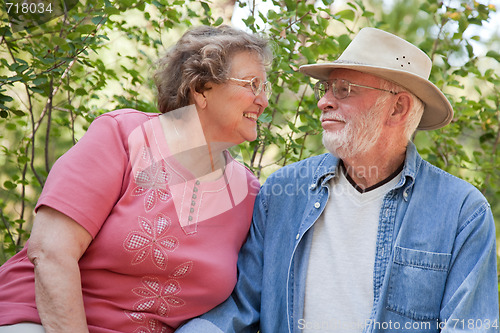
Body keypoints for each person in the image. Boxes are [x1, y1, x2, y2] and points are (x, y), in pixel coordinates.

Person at [176, 28, 499, 333]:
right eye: (326, 88)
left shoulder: (461, 213)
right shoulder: (282, 193)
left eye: (344, 90)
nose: (324, 101)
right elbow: (239, 309)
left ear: (398, 107)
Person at [0, 25, 272, 333]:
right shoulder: (122, 136)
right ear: (201, 89)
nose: (263, 101)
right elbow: (51, 251)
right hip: (40, 322)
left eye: (265, 88)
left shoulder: (248, 194)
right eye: (252, 84)